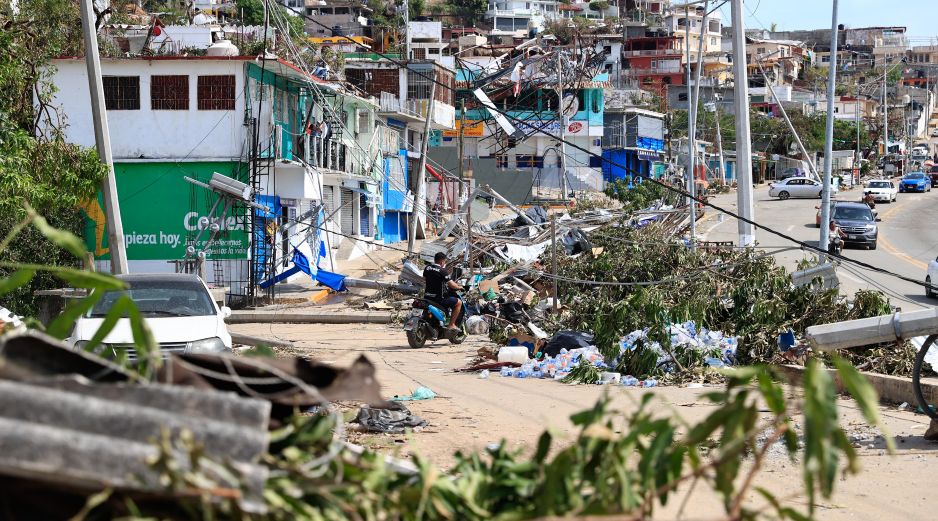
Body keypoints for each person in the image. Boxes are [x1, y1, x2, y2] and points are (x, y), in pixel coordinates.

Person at [422, 252, 463, 331]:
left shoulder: (427, 268)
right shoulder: (442, 270)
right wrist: (459, 287)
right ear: (442, 261)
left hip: (427, 296)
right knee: (458, 303)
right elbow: (451, 284)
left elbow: (424, 279)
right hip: (438, 299)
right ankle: (451, 324)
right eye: (444, 261)